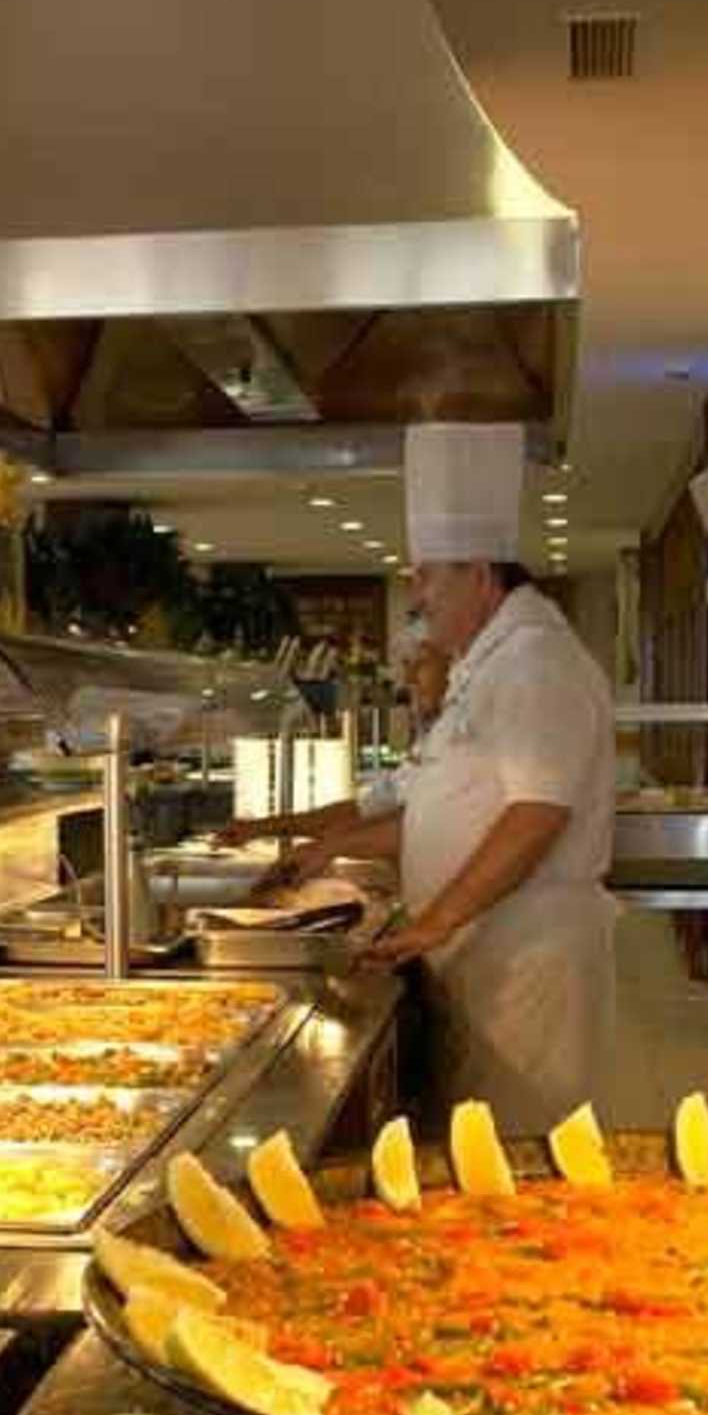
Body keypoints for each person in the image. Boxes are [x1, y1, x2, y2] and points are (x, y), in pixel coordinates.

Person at [277, 429, 617, 1135]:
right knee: (478, 1147)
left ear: (481, 574)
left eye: (427, 575)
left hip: (527, 958)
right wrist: (330, 848)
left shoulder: (535, 663)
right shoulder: (485, 665)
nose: (416, 594)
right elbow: (443, 809)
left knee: (523, 1154)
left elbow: (535, 816)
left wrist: (437, 920)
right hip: (483, 946)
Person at [213, 628, 451, 858]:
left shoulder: (458, 745)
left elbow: (415, 825)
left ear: (454, 665)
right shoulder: (432, 739)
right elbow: (365, 810)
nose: (408, 680)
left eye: (421, 664)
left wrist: (329, 847)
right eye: (406, 665)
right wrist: (260, 828)